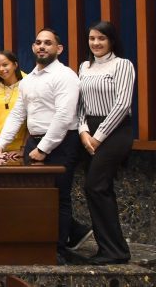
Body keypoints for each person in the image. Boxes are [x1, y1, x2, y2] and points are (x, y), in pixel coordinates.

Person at [0, 28, 90, 264]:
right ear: (33, 48)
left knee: (58, 197)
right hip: (35, 140)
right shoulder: (29, 80)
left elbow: (64, 117)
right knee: (35, 197)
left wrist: (44, 149)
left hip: (62, 142)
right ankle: (37, 244)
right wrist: (0, 145)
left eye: (48, 43)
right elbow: (18, 114)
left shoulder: (65, 76)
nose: (42, 47)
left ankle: (57, 251)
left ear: (59, 48)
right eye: (38, 43)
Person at [76, 21, 136, 265]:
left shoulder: (122, 65)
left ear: (111, 41)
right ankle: (109, 249)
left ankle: (115, 251)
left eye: (101, 38)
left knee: (96, 186)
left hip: (115, 131)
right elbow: (79, 104)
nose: (96, 43)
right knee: (96, 189)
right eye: (92, 38)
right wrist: (82, 131)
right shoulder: (84, 66)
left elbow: (122, 104)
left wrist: (98, 136)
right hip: (88, 130)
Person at [0, 51, 26, 158]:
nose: (1, 69)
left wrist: (23, 148)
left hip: (19, 149)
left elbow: (31, 119)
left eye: (5, 65)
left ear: (15, 65)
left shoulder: (26, 84)